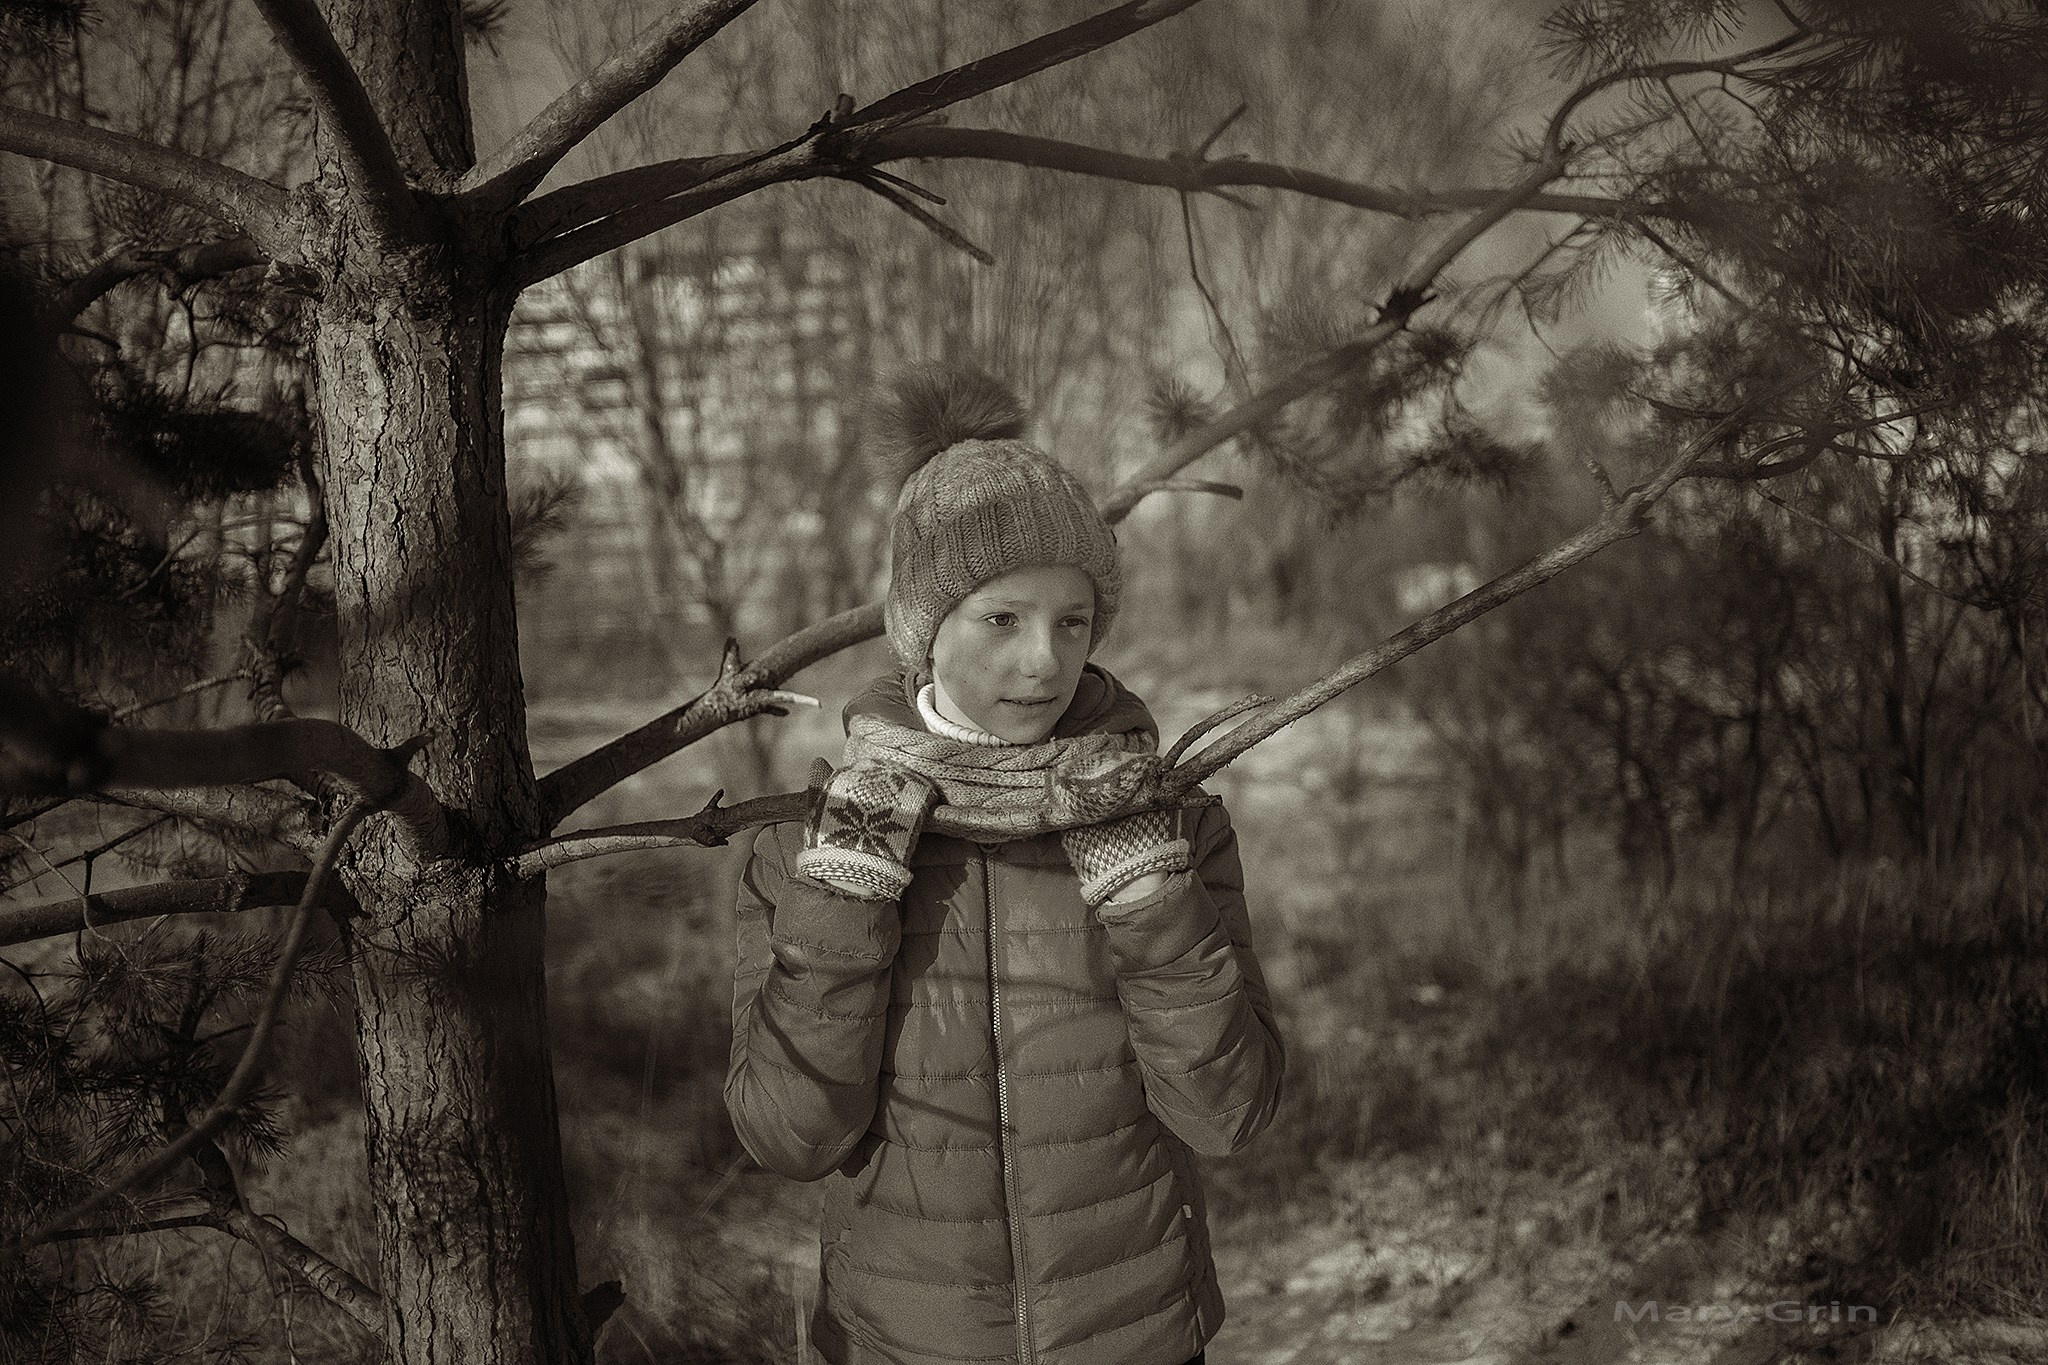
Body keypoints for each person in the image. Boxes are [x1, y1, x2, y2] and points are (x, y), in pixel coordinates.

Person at [724, 367, 1286, 1365]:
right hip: (898, 1345)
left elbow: (1226, 1117)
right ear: (920, 628)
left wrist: (1150, 896)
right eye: (1001, 619)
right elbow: (788, 1136)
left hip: (1137, 1338)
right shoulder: (802, 842)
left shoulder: (1172, 824)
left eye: (1072, 621)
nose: (1042, 662)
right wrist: (845, 897)